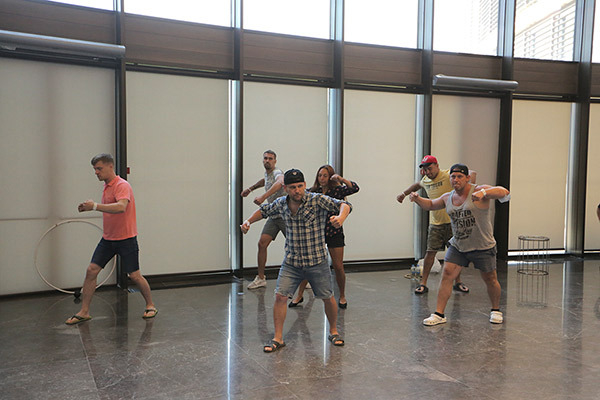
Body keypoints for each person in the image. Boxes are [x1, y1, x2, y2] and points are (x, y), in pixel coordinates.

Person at [241, 168, 352, 352]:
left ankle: (333, 331)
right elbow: (264, 210)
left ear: (305, 185)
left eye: (300, 186)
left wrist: (341, 218)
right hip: (292, 262)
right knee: (280, 296)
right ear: (286, 188)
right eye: (293, 187)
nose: (297, 190)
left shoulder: (316, 200)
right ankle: (278, 338)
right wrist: (248, 222)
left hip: (316, 261)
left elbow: (344, 205)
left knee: (327, 297)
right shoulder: (281, 203)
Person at [408, 163, 509, 326]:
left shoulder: (478, 190)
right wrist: (417, 199)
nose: (456, 180)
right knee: (447, 273)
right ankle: (439, 314)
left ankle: (496, 310)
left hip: (482, 245)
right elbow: (431, 205)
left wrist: (484, 193)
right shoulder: (447, 197)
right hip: (459, 245)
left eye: (460, 176)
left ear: (467, 178)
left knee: (490, 278)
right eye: (453, 177)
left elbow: (504, 192)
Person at [65, 153, 157, 325]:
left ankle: (150, 305)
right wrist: (89, 207)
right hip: (108, 239)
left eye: (99, 168)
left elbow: (121, 207)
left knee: (135, 276)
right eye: (95, 169)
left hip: (126, 239)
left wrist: (94, 206)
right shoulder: (107, 186)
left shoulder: (122, 185)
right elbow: (110, 208)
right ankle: (84, 311)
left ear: (110, 166)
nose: (96, 172)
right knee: (91, 270)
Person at [397, 155, 475, 295]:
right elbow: (417, 185)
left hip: (453, 222)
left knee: (457, 254)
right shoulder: (425, 180)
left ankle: (458, 282)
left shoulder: (448, 175)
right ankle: (423, 283)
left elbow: (471, 173)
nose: (428, 172)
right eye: (425, 169)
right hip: (436, 223)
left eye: (430, 168)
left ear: (437, 166)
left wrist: (471, 191)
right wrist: (404, 194)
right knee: (430, 253)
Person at [289, 165, 359, 309]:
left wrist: (340, 179)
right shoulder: (314, 191)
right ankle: (299, 295)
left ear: (330, 177)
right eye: (320, 175)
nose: (322, 178)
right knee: (307, 264)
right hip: (317, 232)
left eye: (325, 175)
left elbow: (354, 188)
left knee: (338, 266)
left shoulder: (337, 190)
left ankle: (342, 296)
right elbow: (300, 196)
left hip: (334, 231)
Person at [241, 150, 286, 289]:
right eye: (265, 158)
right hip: (273, 215)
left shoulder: (277, 172)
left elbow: (281, 182)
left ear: (275, 161)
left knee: (296, 246)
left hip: (285, 216)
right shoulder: (268, 174)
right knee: (262, 244)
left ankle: (306, 279)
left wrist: (263, 197)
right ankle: (261, 278)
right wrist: (250, 189)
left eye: (270, 159)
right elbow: (264, 181)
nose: (267, 160)